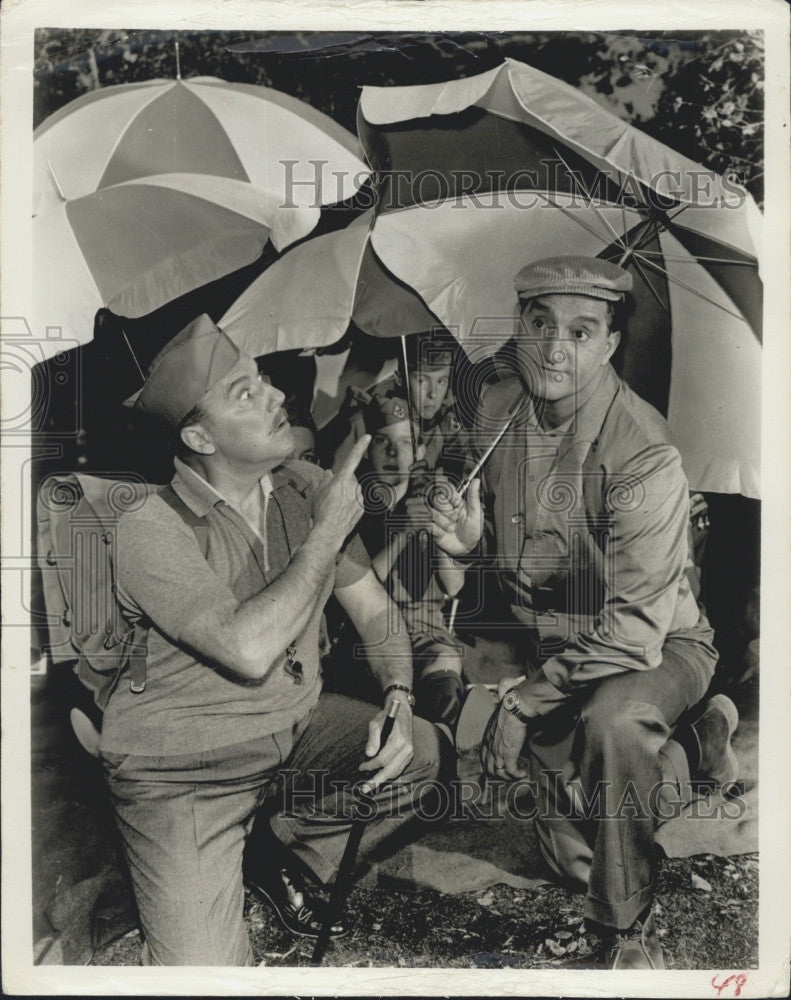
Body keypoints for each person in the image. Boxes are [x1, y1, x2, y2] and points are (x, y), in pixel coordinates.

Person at [413, 256, 739, 970]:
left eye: (582, 331)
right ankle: (698, 745)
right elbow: (492, 542)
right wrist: (466, 542)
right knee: (572, 858)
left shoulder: (642, 455)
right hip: (554, 648)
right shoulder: (497, 411)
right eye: (540, 324)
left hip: (653, 648)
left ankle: (624, 932)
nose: (555, 348)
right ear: (520, 328)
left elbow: (630, 630)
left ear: (610, 344)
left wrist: (523, 704)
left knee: (612, 726)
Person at [103, 314, 443, 966]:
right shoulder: (148, 524)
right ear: (199, 435)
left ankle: (277, 848)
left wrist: (398, 698)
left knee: (422, 753)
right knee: (205, 974)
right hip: (183, 771)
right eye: (244, 393)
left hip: (285, 727)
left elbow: (375, 612)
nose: (275, 397)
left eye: (261, 380)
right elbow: (247, 647)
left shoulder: (302, 486)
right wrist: (327, 530)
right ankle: (220, 857)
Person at [350, 390, 467, 727]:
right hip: (373, 640)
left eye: (404, 443)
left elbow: (455, 586)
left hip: (426, 635)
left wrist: (439, 532)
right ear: (368, 449)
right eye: (382, 442)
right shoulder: (354, 507)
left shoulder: (434, 498)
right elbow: (360, 587)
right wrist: (404, 531)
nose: (392, 452)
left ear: (419, 451)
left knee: (445, 686)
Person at [331, 330, 468, 482]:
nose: (433, 394)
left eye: (441, 381)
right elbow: (332, 481)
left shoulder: (447, 431)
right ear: (399, 379)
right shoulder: (366, 420)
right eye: (422, 380)